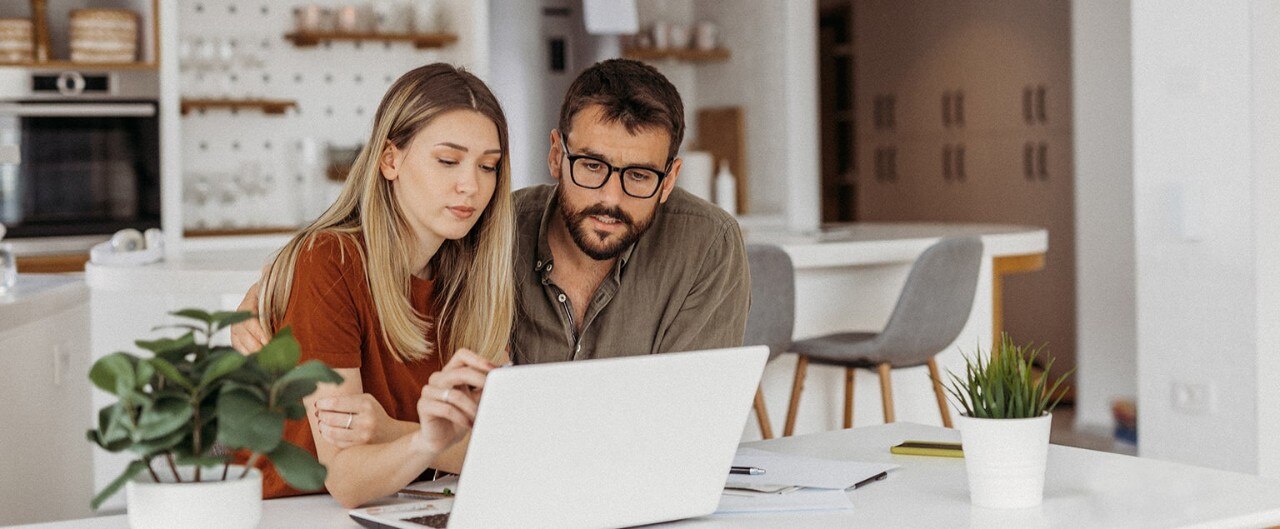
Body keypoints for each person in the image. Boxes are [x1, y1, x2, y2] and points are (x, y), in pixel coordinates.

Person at [232, 58, 749, 460]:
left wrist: (399, 435)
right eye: (591, 166)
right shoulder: (493, 229)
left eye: (639, 176)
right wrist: (272, 292)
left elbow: (684, 430)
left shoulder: (706, 245)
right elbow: (359, 253)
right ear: (555, 155)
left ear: (671, 178)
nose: (610, 198)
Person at [237, 63, 516, 508]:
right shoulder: (329, 262)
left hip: (414, 502)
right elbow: (345, 477)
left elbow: (508, 447)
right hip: (294, 511)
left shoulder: (476, 276)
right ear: (390, 159)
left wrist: (399, 433)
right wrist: (428, 442)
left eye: (488, 166)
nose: (471, 185)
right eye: (448, 161)